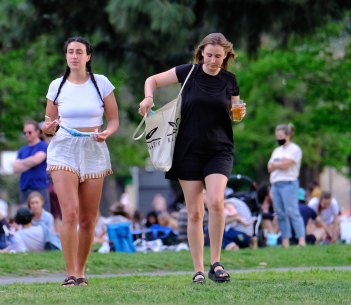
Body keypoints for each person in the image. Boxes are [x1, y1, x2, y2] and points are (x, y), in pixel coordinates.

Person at [138, 33, 245, 284]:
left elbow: (235, 116)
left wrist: (240, 113)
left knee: (216, 202)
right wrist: (148, 97)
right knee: (195, 212)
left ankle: (216, 263)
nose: (213, 60)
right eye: (209, 55)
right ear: (201, 53)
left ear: (226, 56)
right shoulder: (189, 72)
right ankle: (198, 269)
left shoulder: (230, 80)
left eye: (219, 56)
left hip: (220, 149)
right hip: (188, 150)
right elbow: (151, 80)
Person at [41, 36, 119, 286]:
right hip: (64, 148)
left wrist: (107, 132)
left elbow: (114, 120)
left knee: (88, 218)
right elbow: (48, 126)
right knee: (70, 213)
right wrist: (48, 127)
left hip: (93, 148)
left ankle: (82, 272)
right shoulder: (57, 85)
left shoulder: (101, 83)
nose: (74, 56)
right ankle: (70, 273)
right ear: (66, 56)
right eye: (70, 52)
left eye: (79, 52)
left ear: (88, 56)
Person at [267, 123, 306, 248]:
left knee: (292, 211)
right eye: (277, 136)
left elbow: (286, 165)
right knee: (280, 213)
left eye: (280, 136)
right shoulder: (277, 151)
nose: (278, 138)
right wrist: (280, 162)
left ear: (288, 135)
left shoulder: (295, 149)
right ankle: (285, 241)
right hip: (276, 184)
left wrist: (277, 164)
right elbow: (269, 167)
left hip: (289, 184)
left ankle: (301, 240)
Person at [13, 120, 50, 209]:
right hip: (25, 188)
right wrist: (31, 161)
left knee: (43, 218)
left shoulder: (43, 146)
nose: (27, 134)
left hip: (40, 188)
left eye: (29, 132)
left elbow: (36, 160)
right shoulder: (22, 149)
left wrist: (21, 162)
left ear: (37, 132)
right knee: (25, 218)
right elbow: (15, 168)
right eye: (24, 132)